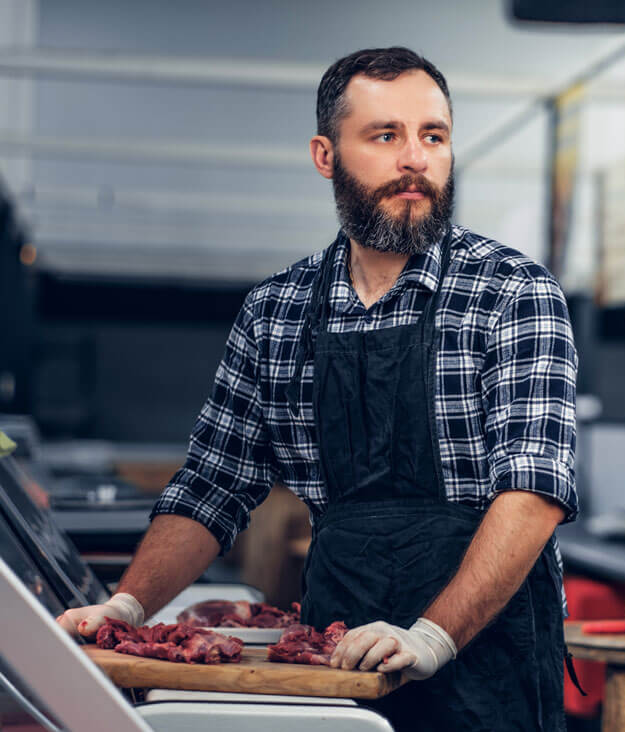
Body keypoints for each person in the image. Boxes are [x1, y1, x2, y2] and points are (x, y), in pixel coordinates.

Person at [57, 46, 578, 731]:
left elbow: (532, 494)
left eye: (434, 136)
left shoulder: (511, 293)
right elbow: (213, 487)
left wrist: (430, 636)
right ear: (324, 155)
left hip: (487, 663)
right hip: (337, 663)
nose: (415, 159)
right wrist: (127, 606)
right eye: (385, 136)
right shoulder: (276, 311)